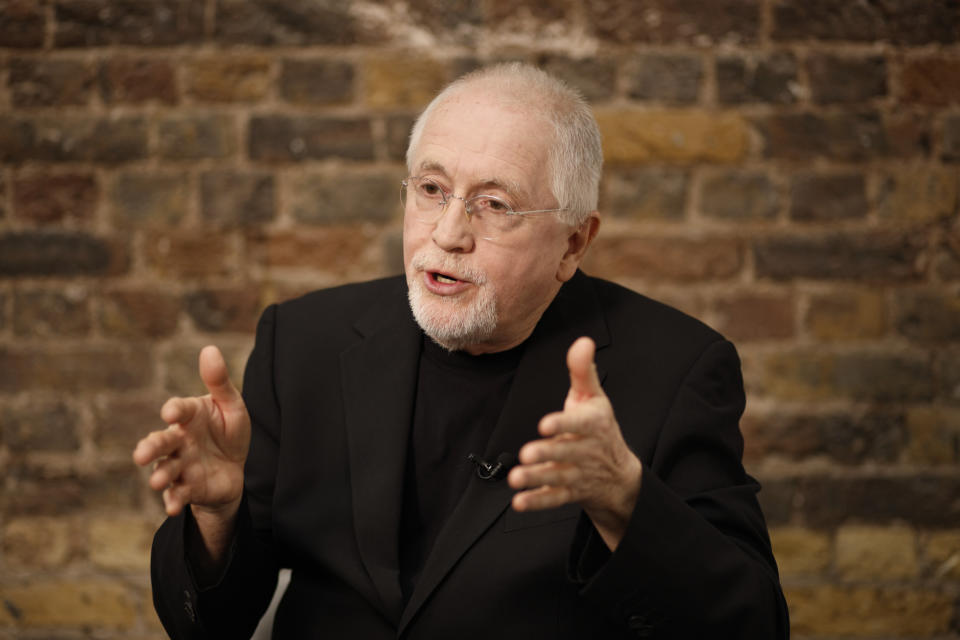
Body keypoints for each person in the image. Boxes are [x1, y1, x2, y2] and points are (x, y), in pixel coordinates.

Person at [134, 63, 789, 639]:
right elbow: (205, 626)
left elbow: (752, 625)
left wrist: (624, 499)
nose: (447, 234)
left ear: (572, 244)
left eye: (494, 204)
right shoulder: (304, 343)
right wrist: (217, 517)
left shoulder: (674, 369)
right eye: (431, 190)